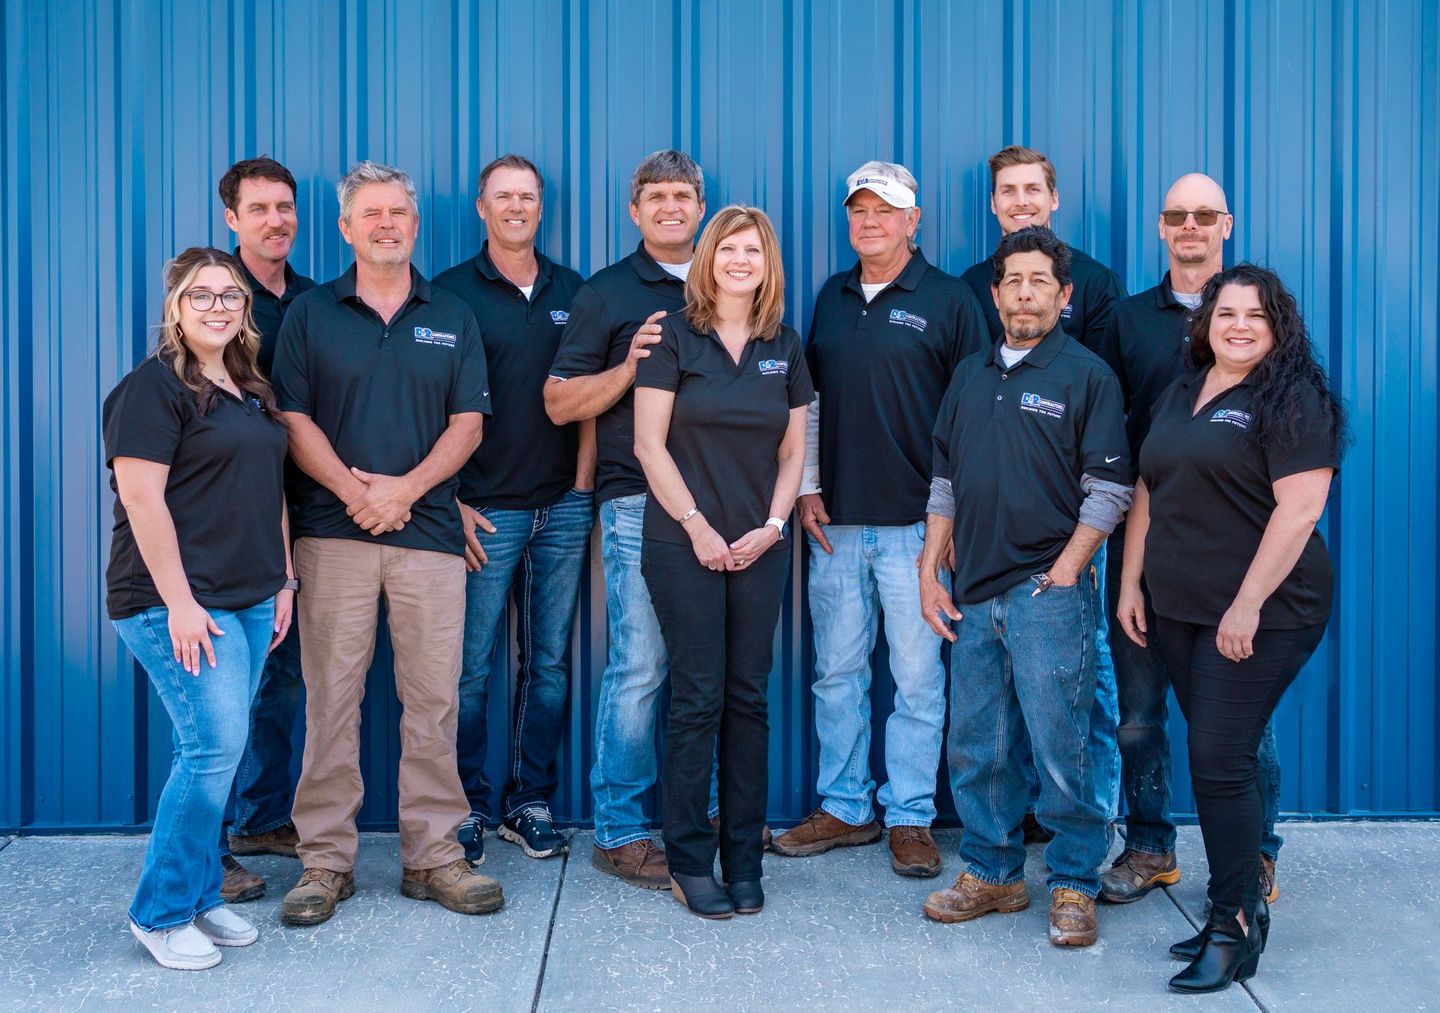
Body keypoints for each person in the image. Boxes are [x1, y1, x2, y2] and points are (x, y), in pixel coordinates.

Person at [271, 160, 501, 926]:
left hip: (430, 536)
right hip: (331, 536)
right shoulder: (310, 314)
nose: (385, 224)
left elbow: (468, 423)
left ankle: (433, 855)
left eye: (398, 212)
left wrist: (402, 491)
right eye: (370, 213)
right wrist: (355, 491)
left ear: (414, 222)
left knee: (432, 700)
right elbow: (292, 419)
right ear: (345, 228)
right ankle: (325, 861)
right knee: (332, 700)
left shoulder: (453, 314)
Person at [1117, 264, 1344, 993]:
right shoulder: (1185, 387)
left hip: (1266, 609)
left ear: (1278, 326)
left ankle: (1234, 924)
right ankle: (1234, 902)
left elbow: (1299, 511)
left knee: (1220, 759)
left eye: (1256, 315)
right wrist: (1131, 581)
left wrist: (1246, 604)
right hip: (1179, 605)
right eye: (1225, 314)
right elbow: (1150, 482)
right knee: (1220, 761)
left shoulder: (1292, 398)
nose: (1239, 325)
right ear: (1204, 324)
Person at [770, 162, 987, 878]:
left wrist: (948, 524)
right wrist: (804, 487)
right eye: (859, 209)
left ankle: (912, 814)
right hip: (836, 523)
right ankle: (845, 806)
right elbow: (809, 401)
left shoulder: (952, 300)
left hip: (917, 529)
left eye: (885, 210)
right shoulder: (831, 297)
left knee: (919, 678)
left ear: (913, 221)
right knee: (835, 673)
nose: (870, 221)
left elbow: (970, 418)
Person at [919, 227, 1131, 948]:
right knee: (979, 744)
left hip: (1049, 592)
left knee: (1064, 745)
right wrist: (929, 567)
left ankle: (1074, 880)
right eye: (1014, 280)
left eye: (1041, 280)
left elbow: (1108, 487)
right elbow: (944, 477)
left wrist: (1068, 569)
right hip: (974, 590)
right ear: (996, 291)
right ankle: (994, 871)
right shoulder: (972, 374)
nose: (1026, 292)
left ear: (1064, 295)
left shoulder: (1087, 375)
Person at [1097, 174, 1288, 907]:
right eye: (1177, 215)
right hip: (1145, 541)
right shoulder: (1128, 318)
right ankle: (1149, 846)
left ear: (1226, 225)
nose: (1190, 226)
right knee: (1140, 711)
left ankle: (1258, 852)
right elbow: (1109, 423)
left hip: (1236, 546)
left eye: (1204, 215)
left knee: (1244, 716)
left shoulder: (1255, 319)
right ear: (1160, 226)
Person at [104, 247, 294, 969]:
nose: (218, 306)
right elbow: (142, 499)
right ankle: (158, 911)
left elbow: (269, 488)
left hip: (247, 598)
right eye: (202, 295)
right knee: (211, 748)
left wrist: (282, 581)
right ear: (176, 307)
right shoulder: (151, 390)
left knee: (222, 749)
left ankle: (201, 892)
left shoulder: (248, 385)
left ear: (245, 309)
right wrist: (180, 602)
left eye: (230, 296)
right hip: (173, 602)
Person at [633, 206, 811, 919]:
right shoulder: (674, 337)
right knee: (698, 696)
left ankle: (743, 857)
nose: (741, 260)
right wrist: (699, 527)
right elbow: (650, 444)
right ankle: (688, 859)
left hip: (759, 545)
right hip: (684, 544)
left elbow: (795, 451)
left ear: (769, 265)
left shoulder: (785, 345)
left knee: (749, 699)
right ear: (708, 258)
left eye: (754, 251)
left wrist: (772, 525)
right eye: (730, 248)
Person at [545, 149, 715, 889]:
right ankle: (620, 827)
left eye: (683, 195)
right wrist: (628, 366)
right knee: (643, 665)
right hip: (637, 500)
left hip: (723, 508)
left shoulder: (729, 279)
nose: (671, 207)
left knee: (705, 669)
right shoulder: (608, 293)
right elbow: (556, 402)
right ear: (635, 210)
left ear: (701, 206)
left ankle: (697, 820)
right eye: (657, 196)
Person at [959, 145, 1128, 843]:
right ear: (994, 204)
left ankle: (1094, 830)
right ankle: (1015, 832)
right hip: (991, 535)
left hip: (1071, 532)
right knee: (994, 706)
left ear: (1054, 198)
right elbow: (975, 394)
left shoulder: (1094, 280)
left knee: (1081, 688)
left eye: (1033, 188)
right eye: (1008, 190)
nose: (1021, 199)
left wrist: (1077, 552)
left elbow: (1103, 406)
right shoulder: (970, 283)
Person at [434, 154, 591, 865]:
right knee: (468, 668)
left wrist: (583, 488)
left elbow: (591, 396)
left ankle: (529, 801)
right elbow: (429, 405)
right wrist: (452, 499)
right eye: (503, 196)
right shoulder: (449, 294)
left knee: (548, 662)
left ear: (540, 205)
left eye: (527, 196)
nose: (517, 207)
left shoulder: (573, 290)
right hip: (484, 512)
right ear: (481, 206)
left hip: (561, 506)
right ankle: (463, 803)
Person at [215, 156, 316, 904]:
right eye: (260, 209)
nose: (276, 220)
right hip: (235, 516)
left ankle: (261, 816)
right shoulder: (216, 298)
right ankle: (208, 845)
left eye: (284, 207)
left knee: (280, 679)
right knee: (225, 691)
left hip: (304, 512)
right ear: (232, 218)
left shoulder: (314, 301)